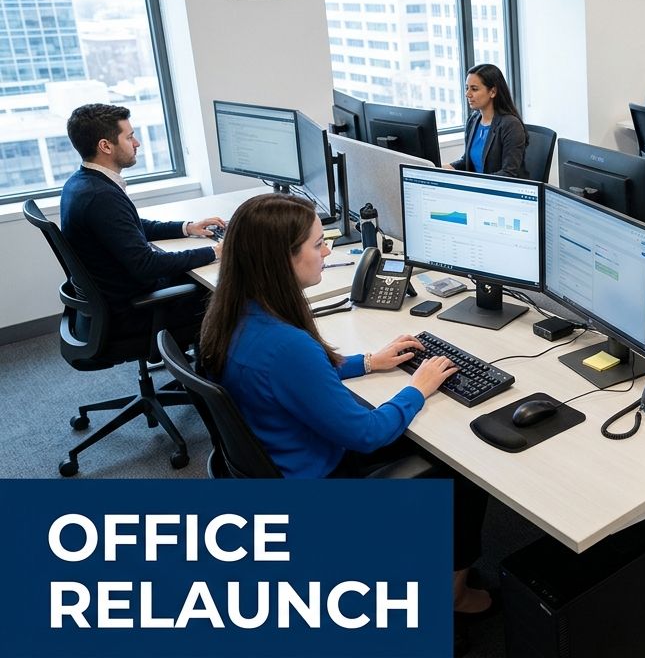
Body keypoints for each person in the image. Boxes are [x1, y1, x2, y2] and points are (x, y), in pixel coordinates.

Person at [197, 193, 495, 627]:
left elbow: (293, 380)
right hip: (317, 482)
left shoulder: (235, 312)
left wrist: (368, 362)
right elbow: (368, 433)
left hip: (278, 461)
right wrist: (418, 386)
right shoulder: (287, 344)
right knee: (464, 472)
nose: (328, 251)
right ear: (282, 258)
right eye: (318, 244)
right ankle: (453, 596)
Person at [59, 103, 223, 337]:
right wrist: (215, 252)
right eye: (130, 137)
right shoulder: (100, 197)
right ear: (105, 146)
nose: (137, 143)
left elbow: (130, 225)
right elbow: (147, 265)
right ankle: (210, 369)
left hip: (118, 295)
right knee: (229, 294)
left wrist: (187, 228)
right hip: (133, 310)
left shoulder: (81, 182)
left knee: (197, 274)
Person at [453, 63, 527, 177]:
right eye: (467, 88)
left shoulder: (511, 125)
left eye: (474, 89)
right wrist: (438, 167)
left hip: (499, 191)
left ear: (492, 92)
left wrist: (477, 185)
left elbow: (509, 173)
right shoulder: (473, 120)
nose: (467, 94)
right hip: (478, 188)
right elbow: (466, 161)